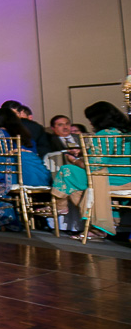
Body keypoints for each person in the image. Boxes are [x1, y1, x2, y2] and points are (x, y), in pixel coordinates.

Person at [52, 101, 131, 240]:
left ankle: (61, 207)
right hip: (126, 177)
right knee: (80, 185)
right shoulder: (125, 132)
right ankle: (107, 221)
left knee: (67, 171)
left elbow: (94, 167)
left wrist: (75, 161)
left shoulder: (104, 135)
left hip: (110, 179)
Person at [0, 108, 52, 231]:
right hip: (38, 176)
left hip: (11, 174)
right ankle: (38, 220)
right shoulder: (24, 135)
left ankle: (1, 218)